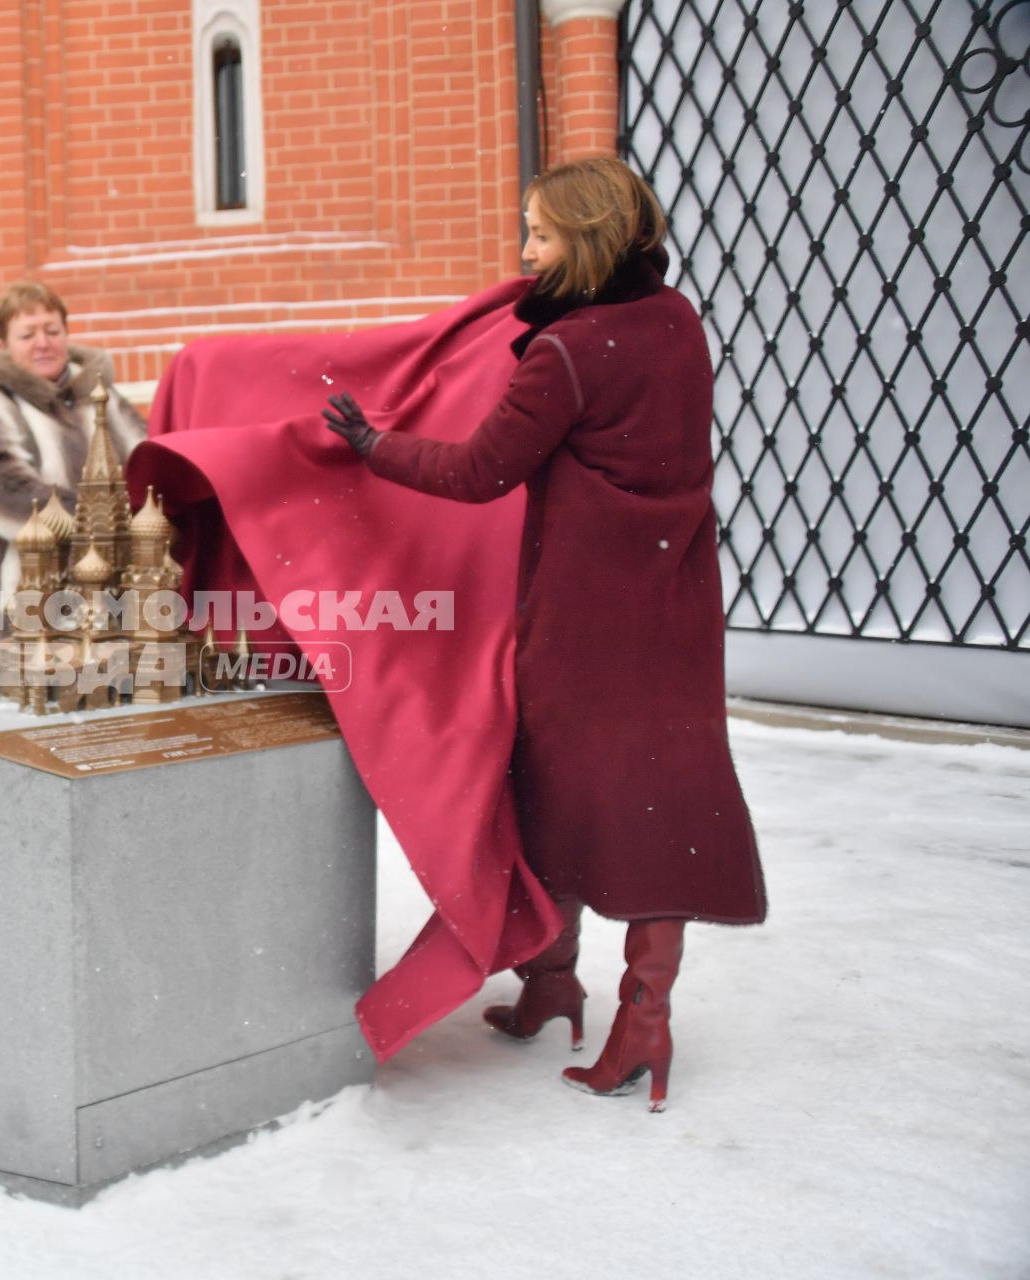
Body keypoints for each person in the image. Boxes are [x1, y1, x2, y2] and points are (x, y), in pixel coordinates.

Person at [322, 156, 766, 1111]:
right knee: (660, 802)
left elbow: (480, 471)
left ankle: (588, 995)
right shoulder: (677, 321)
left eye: (542, 234)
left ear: (592, 238)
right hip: (674, 599)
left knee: (554, 791)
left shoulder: (565, 354)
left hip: (582, 617)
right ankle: (595, 997)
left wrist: (372, 447)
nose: (525, 250)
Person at [0, 281, 147, 639]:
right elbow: (2, 489)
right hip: (17, 608)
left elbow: (148, 465)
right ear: (5, 347)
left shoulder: (103, 398)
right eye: (27, 335)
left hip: (112, 603)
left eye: (52, 330)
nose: (43, 342)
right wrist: (103, 525)